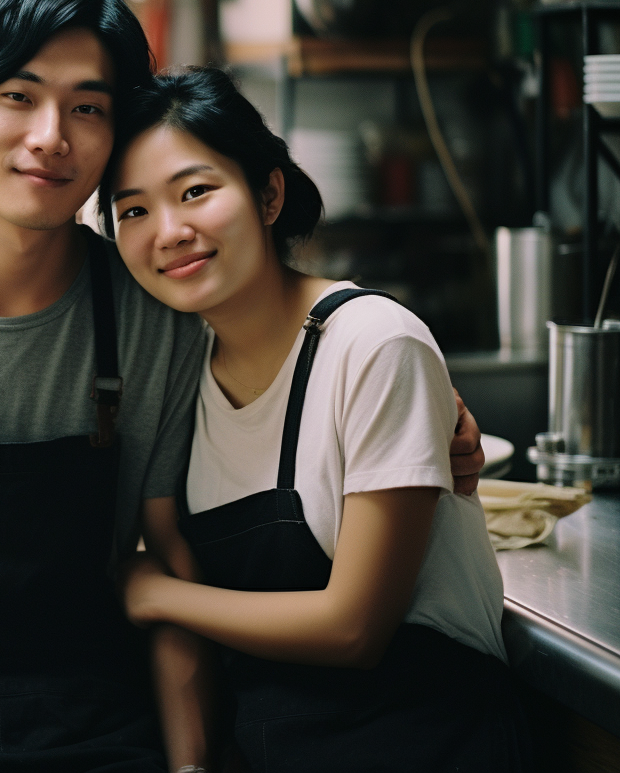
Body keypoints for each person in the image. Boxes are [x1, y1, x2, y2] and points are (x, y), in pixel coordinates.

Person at [0, 0, 485, 773]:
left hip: (102, 741)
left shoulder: (156, 312)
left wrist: (437, 413)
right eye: (18, 95)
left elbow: (187, 528)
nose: (52, 134)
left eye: (88, 107)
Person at [101, 66, 529, 773]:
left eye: (196, 191)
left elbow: (355, 627)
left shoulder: (372, 343)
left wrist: (158, 594)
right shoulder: (178, 373)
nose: (170, 231)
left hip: (431, 744)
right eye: (134, 211)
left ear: (268, 193)